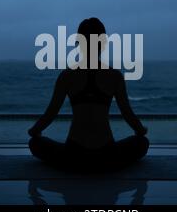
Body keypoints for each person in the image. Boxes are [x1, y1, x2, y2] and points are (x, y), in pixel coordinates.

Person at [28, 17, 149, 172]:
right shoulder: (114, 76)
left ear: (79, 42)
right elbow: (128, 114)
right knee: (142, 143)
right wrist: (141, 130)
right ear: (103, 43)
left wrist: (34, 131)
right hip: (107, 155)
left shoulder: (67, 76)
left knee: (35, 144)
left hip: (74, 155)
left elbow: (51, 113)